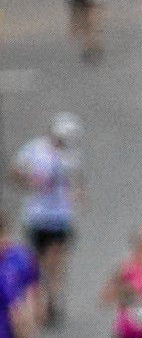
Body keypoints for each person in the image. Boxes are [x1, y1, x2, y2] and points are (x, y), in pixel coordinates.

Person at [14, 119, 79, 326]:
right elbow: (15, 172)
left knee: (56, 262)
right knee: (38, 263)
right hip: (37, 217)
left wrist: (77, 195)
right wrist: (29, 180)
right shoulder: (34, 149)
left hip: (60, 217)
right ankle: (41, 300)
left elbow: (75, 181)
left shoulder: (71, 155)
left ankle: (51, 302)